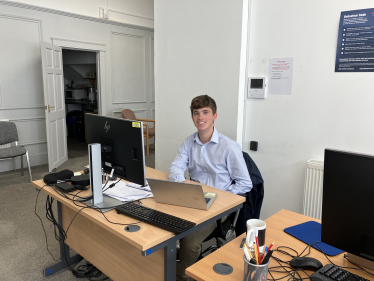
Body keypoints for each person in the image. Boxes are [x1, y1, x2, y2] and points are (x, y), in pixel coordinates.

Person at [169, 95, 253, 281]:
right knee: (162, 221)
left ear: (214, 115)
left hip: (218, 206)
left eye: (205, 112)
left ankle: (180, 276)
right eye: (196, 113)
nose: (200, 117)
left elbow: (245, 184)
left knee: (190, 242)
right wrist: (182, 182)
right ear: (192, 117)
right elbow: (175, 167)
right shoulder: (189, 142)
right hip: (193, 197)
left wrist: (219, 195)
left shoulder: (229, 147)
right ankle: (164, 263)